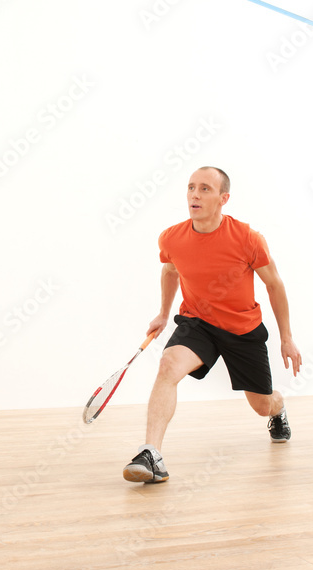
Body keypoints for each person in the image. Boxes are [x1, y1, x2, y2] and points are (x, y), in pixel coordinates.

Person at [123, 166, 303, 484]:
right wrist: (164, 314)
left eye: (205, 188)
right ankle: (151, 453)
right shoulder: (172, 238)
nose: (195, 194)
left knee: (262, 405)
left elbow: (275, 285)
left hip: (243, 329)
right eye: (191, 187)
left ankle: (278, 408)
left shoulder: (248, 238)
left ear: (224, 198)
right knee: (167, 366)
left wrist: (286, 338)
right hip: (198, 322)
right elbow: (169, 271)